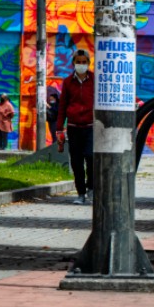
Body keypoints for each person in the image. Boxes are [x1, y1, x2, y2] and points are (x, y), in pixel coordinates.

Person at [56, 49, 96, 205]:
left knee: (91, 157)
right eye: (78, 62)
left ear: (88, 63)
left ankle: (91, 187)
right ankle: (81, 193)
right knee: (76, 161)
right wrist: (59, 128)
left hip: (91, 126)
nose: (81, 65)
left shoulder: (95, 80)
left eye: (83, 62)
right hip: (73, 127)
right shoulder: (67, 82)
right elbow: (62, 106)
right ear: (73, 63)